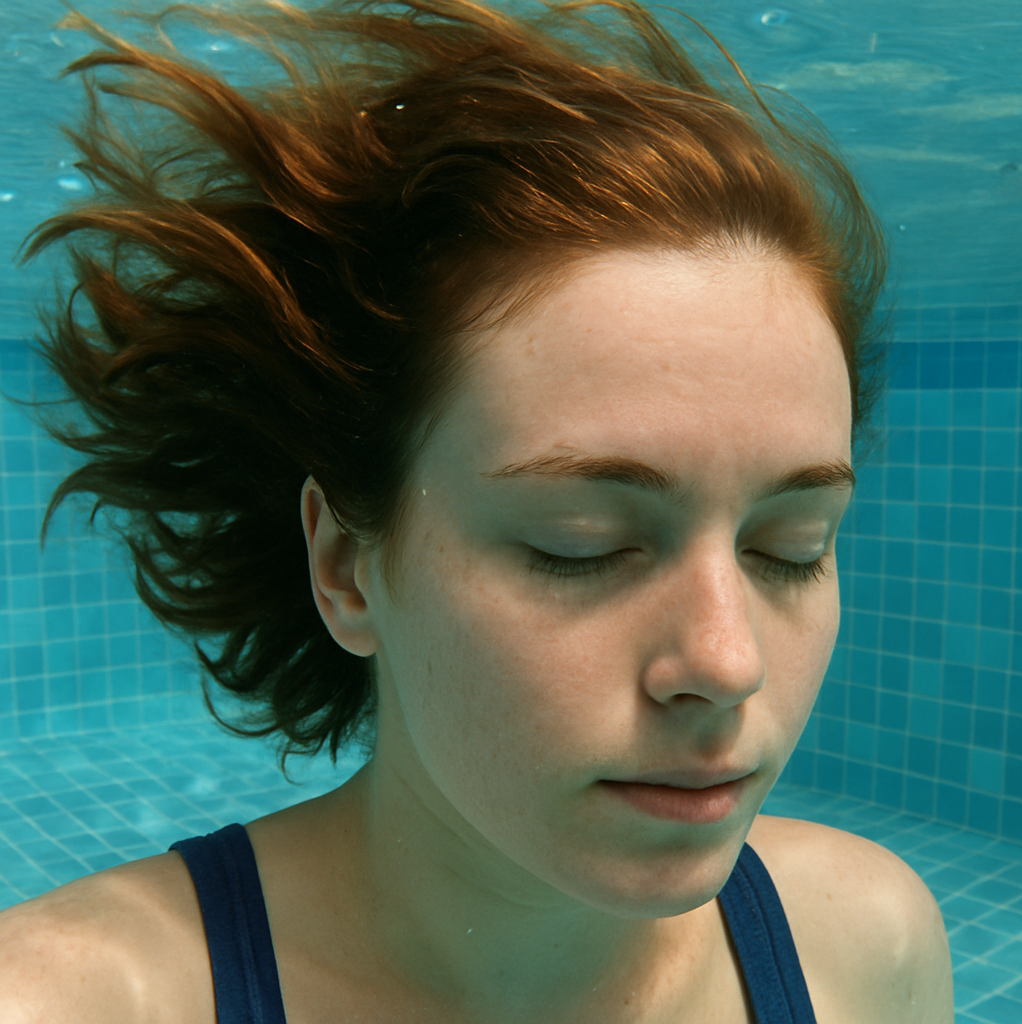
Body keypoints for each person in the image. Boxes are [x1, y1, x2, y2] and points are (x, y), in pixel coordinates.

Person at [0, 0, 953, 1021]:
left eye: (788, 548)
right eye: (580, 547)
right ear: (345, 565)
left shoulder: (865, 947)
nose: (727, 664)